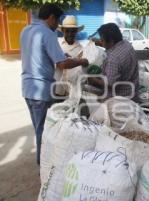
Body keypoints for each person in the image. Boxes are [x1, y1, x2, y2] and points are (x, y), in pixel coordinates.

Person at [20, 3, 89, 165]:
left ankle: (43, 163)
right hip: (41, 90)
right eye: (57, 21)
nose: (56, 25)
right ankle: (43, 166)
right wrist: (82, 60)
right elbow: (62, 65)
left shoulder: (25, 31)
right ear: (51, 18)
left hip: (27, 88)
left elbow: (38, 56)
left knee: (39, 128)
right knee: (44, 131)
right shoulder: (48, 33)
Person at [89, 23, 139, 102]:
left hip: (118, 101)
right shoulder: (126, 44)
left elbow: (110, 83)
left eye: (102, 40)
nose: (101, 41)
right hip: (132, 95)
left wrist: (94, 80)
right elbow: (112, 46)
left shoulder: (113, 59)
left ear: (111, 41)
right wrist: (99, 43)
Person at [55, 15, 84, 96]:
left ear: (76, 32)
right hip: (57, 88)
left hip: (72, 90)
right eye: (67, 31)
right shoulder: (56, 44)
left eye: (73, 31)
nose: (70, 34)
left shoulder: (80, 48)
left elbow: (81, 69)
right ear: (63, 31)